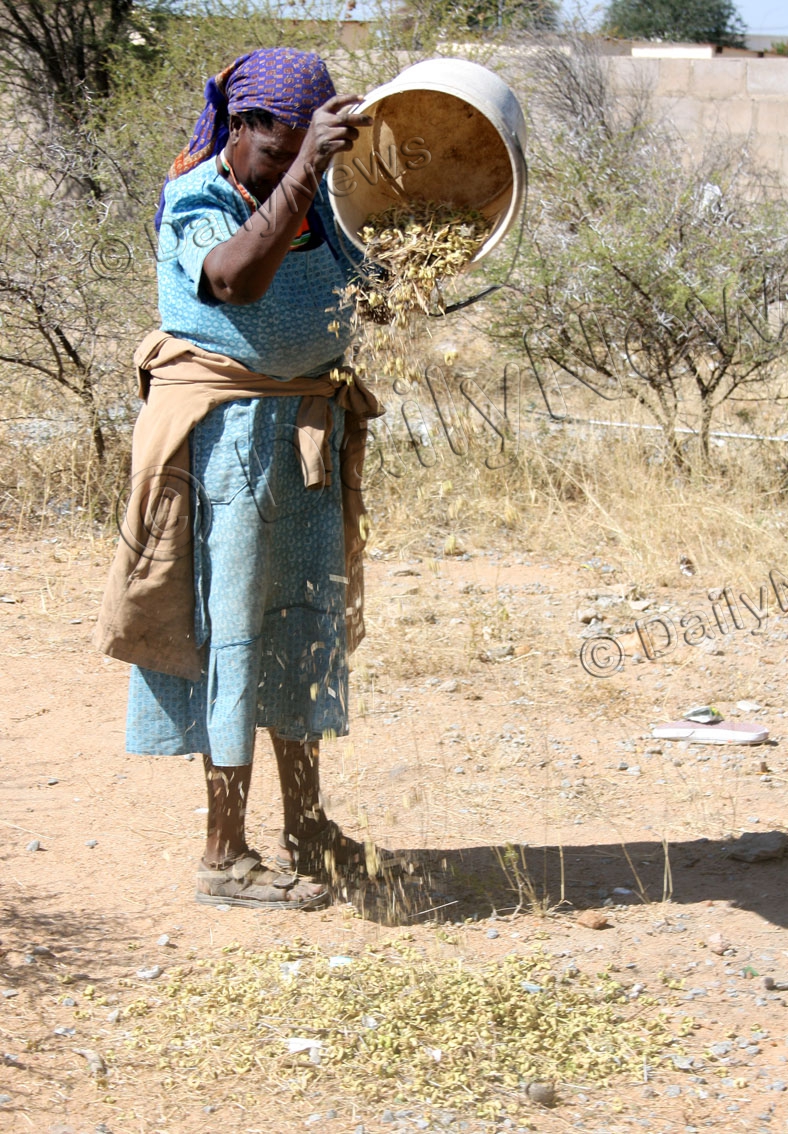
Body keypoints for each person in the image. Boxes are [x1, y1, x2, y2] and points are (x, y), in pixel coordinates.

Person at [96, 47, 382, 909]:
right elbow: (234, 281)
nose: (291, 161)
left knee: (300, 628)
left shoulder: (319, 200)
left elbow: (364, 287)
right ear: (241, 125)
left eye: (305, 147)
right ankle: (224, 853)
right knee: (233, 633)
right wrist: (305, 171)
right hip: (224, 446)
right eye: (278, 146)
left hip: (303, 442)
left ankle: (308, 827)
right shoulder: (201, 197)